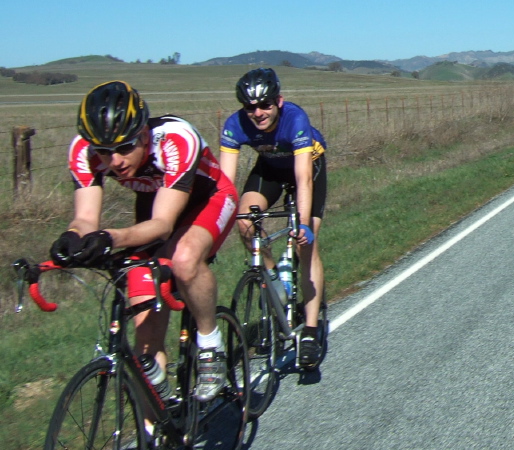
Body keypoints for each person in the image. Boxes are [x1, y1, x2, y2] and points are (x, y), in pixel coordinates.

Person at [51, 80, 238, 402]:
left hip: (208, 198)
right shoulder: (84, 150)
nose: (115, 162)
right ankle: (153, 430)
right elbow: (85, 219)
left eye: (124, 148)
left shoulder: (175, 139)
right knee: (145, 336)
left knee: (184, 259)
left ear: (143, 134)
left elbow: (164, 226)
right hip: (154, 202)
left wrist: (111, 237)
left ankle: (210, 343)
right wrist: (72, 237)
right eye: (105, 152)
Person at [218, 67, 327, 369]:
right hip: (270, 169)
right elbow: (225, 185)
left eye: (265, 104)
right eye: (250, 107)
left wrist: (303, 224)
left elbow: (303, 177)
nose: (258, 113)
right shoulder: (234, 124)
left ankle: (310, 328)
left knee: (307, 244)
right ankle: (277, 285)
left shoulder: (295, 118)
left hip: (308, 167)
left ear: (278, 101)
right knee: (244, 222)